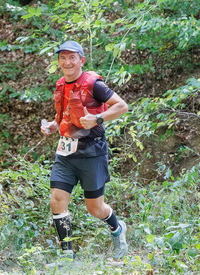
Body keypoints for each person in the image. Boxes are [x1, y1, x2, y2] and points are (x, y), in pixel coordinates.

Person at [41, 40, 129, 262]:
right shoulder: (61, 84)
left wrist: (98, 118)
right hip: (66, 154)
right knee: (57, 200)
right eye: (63, 58)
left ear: (82, 60)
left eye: (72, 57)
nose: (67, 62)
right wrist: (53, 125)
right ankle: (67, 257)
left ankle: (117, 229)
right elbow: (65, 115)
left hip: (92, 153)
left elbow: (122, 106)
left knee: (95, 209)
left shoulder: (93, 84)